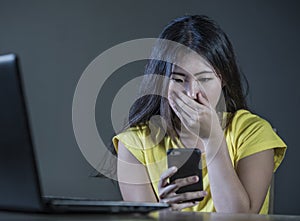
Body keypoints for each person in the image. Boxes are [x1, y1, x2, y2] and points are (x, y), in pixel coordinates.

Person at [112, 15, 286, 214]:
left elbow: (239, 218)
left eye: (204, 78)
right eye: (178, 79)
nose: (192, 93)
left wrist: (213, 139)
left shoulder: (252, 132)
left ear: (223, 79)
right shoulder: (135, 143)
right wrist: (163, 211)